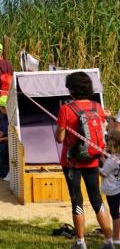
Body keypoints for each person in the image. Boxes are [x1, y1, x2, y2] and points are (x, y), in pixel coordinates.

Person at [56, 71, 113, 249]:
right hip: (93, 160)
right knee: (97, 199)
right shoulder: (97, 107)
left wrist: (60, 128)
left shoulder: (66, 109)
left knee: (77, 200)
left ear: (71, 89)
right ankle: (109, 241)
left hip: (72, 162)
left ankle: (80, 242)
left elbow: (59, 138)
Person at [101, 131, 120, 248]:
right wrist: (102, 159)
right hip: (118, 187)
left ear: (112, 144)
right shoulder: (115, 158)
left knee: (115, 213)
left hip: (112, 190)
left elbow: (104, 172)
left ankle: (117, 237)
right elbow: (110, 165)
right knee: (117, 212)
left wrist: (94, 168)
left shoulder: (112, 160)